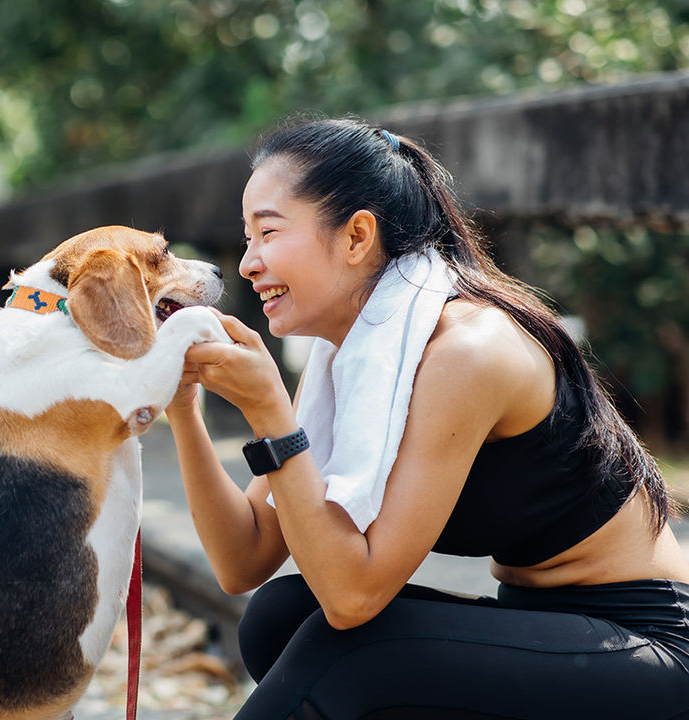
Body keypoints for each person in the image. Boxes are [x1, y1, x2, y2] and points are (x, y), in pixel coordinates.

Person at [168, 116, 689, 719]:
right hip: (544, 624)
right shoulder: (350, 352)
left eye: (268, 232)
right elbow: (243, 560)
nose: (247, 264)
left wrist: (270, 414)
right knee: (278, 616)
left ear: (358, 236)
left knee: (348, 652)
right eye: (246, 237)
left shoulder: (466, 350)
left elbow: (353, 598)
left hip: (647, 644)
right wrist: (183, 407)